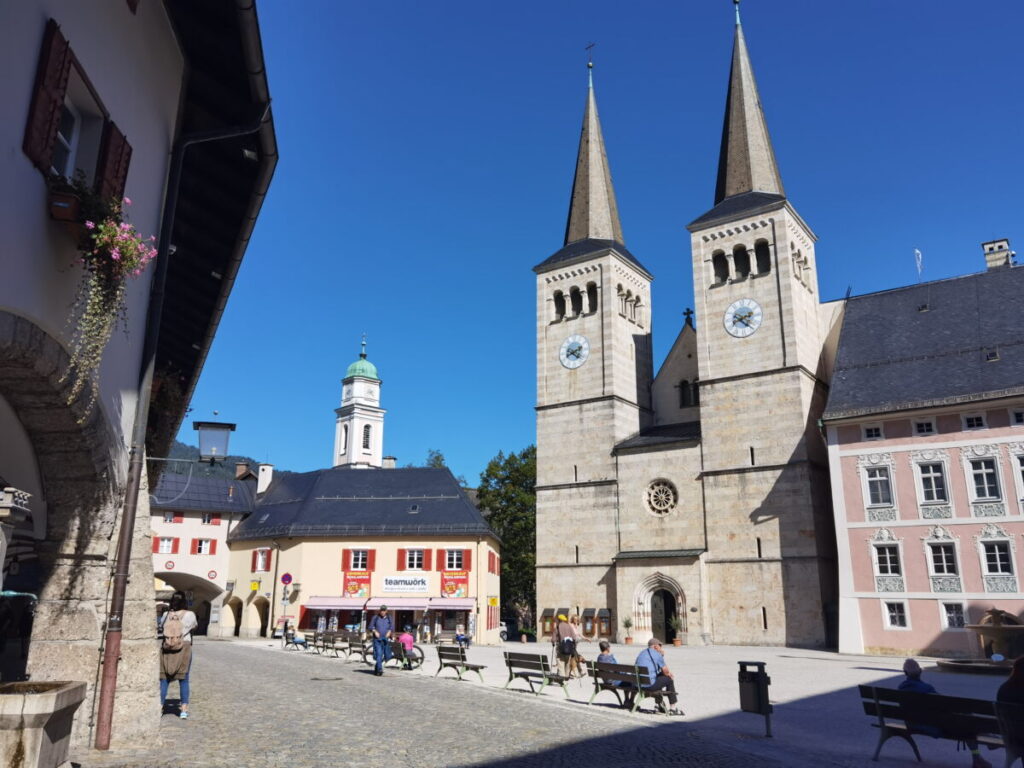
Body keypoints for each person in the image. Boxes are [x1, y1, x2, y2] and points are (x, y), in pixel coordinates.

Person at [899, 658, 991, 768]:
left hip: (911, 723)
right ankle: (978, 756)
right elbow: (944, 704)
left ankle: (984, 742)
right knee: (967, 721)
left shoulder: (901, 689)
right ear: (920, 671)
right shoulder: (926, 688)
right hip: (932, 725)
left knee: (966, 721)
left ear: (905, 673)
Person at [159, 591, 198, 719]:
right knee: (184, 679)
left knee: (164, 678)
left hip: (167, 648)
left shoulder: (165, 615)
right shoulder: (190, 614)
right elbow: (194, 626)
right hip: (184, 647)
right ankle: (184, 710)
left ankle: (159, 706)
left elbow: (161, 627)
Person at [629, 638, 683, 716]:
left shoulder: (642, 653)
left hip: (638, 684)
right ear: (655, 647)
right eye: (660, 646)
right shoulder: (657, 654)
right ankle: (673, 708)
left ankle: (659, 705)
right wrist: (661, 656)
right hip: (649, 685)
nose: (661, 648)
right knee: (669, 679)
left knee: (660, 677)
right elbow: (666, 671)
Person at [368, 605, 393, 676]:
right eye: (381, 610)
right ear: (380, 611)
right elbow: (370, 626)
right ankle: (379, 669)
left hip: (385, 639)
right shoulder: (375, 617)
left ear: (386, 611)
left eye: (384, 610)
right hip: (377, 639)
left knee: (386, 655)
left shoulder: (389, 618)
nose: (383, 612)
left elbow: (391, 626)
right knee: (379, 654)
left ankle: (377, 668)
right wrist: (375, 631)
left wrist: (389, 631)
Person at [551, 613, 574, 678]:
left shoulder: (558, 627)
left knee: (560, 662)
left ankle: (562, 678)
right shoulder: (569, 626)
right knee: (567, 663)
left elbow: (553, 638)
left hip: (560, 647)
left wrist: (553, 642)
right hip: (569, 647)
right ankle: (566, 677)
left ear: (559, 620)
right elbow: (574, 637)